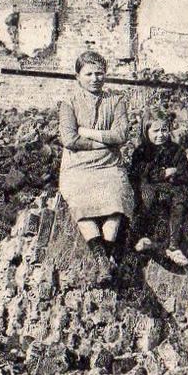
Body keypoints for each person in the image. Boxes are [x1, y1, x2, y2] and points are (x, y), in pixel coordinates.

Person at [57, 50, 135, 271]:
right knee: (81, 203)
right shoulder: (68, 102)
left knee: (118, 199)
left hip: (108, 164)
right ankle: (104, 259)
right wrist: (104, 141)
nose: (95, 79)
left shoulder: (116, 100)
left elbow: (121, 135)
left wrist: (88, 132)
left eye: (99, 73)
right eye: (89, 74)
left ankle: (106, 261)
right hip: (77, 166)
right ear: (78, 77)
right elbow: (70, 139)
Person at [128, 110, 188, 266]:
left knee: (180, 200)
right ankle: (141, 238)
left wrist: (172, 175)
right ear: (146, 131)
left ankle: (174, 247)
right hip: (149, 189)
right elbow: (138, 172)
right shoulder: (141, 151)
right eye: (155, 131)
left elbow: (184, 174)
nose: (161, 134)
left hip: (171, 189)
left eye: (164, 130)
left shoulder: (176, 150)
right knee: (147, 199)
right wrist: (163, 172)